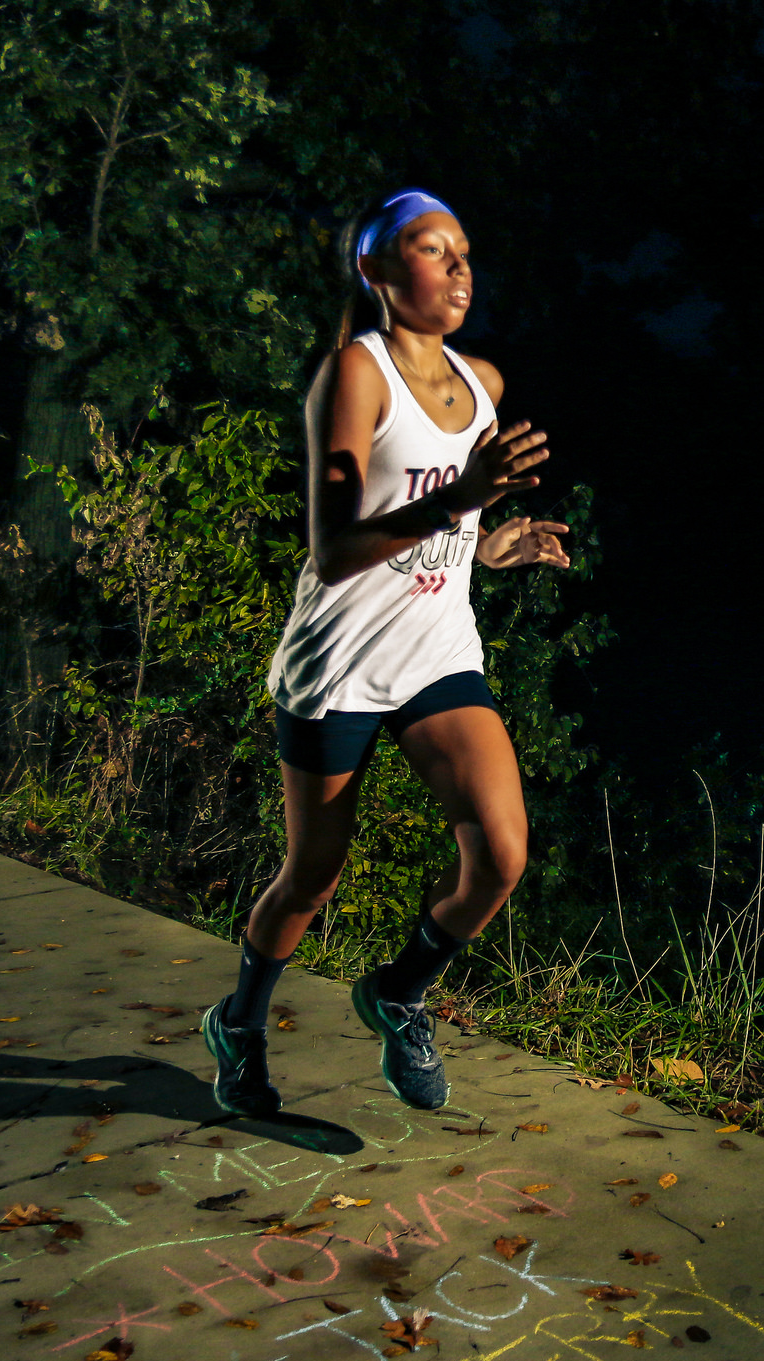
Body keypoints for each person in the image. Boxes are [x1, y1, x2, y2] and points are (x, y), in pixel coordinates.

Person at [201, 187, 572, 1115]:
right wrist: (459, 501)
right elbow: (333, 549)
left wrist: (496, 543)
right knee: (312, 874)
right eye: (431, 249)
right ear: (376, 271)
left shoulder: (483, 381)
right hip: (339, 659)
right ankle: (240, 1022)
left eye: (464, 251)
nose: (458, 267)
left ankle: (399, 991)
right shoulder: (354, 375)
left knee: (501, 852)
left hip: (437, 650)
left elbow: (458, 523)